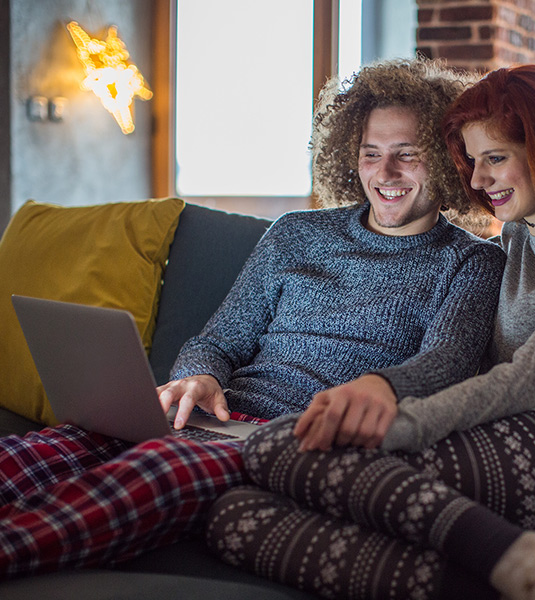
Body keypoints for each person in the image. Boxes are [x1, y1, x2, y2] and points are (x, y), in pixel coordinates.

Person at [0, 58, 506, 580]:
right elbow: (220, 339)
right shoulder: (296, 234)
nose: (386, 174)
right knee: (36, 452)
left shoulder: (472, 261)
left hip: (292, 444)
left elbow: (445, 366)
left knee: (147, 476)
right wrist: (200, 374)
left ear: (447, 161)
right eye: (371, 154)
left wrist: (369, 394)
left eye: (408, 155)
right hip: (216, 420)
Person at [205, 64, 535, 600]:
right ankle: (515, 576)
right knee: (234, 516)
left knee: (276, 446)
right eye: (473, 162)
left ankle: (509, 554)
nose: (478, 181)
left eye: (495, 159)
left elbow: (527, 378)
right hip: (515, 425)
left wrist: (397, 423)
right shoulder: (521, 237)